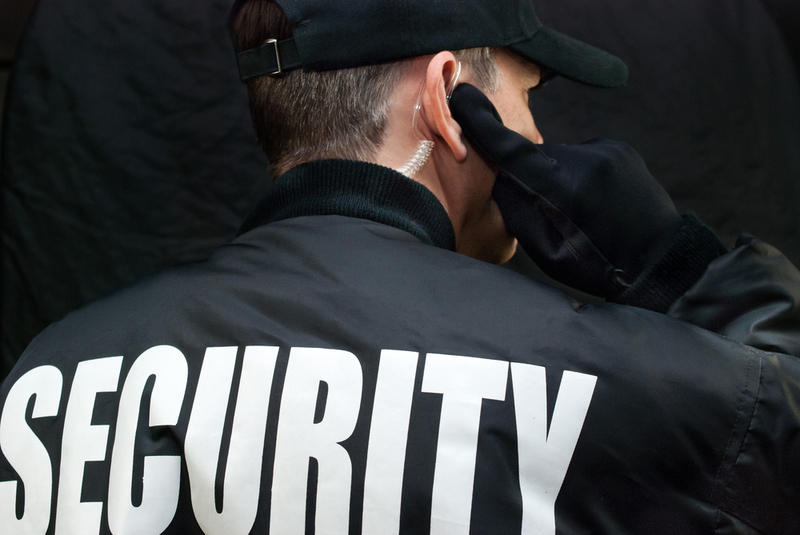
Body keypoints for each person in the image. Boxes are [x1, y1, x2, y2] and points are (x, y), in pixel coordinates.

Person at [1, 0, 798, 533]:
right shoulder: (595, 386)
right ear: (449, 97)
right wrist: (678, 263)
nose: (537, 137)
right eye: (527, 95)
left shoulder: (49, 379)